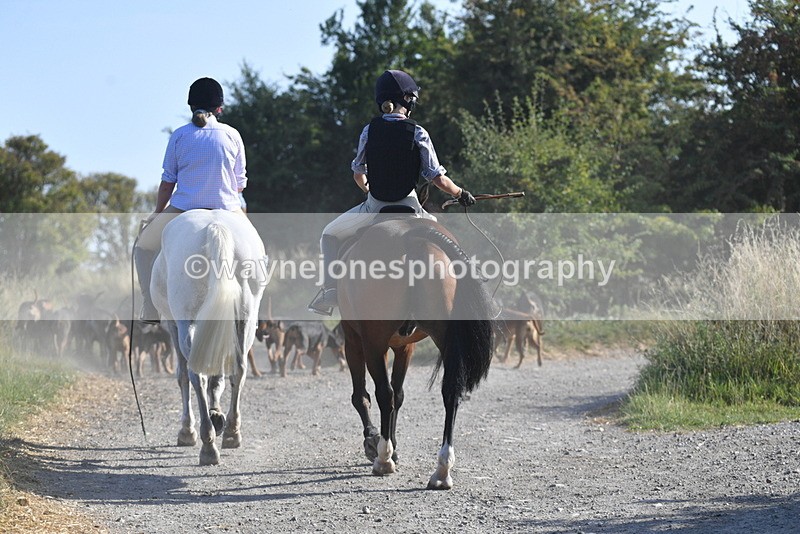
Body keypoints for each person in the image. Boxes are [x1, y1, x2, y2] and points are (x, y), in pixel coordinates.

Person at [308, 69, 476, 316]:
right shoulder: (418, 132)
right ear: (407, 101)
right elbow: (437, 177)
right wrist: (461, 193)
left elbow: (358, 172)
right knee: (447, 241)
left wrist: (368, 188)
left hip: (375, 207)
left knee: (329, 234)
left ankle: (331, 290)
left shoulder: (369, 131)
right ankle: (472, 286)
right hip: (410, 208)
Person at [134, 77, 248, 323]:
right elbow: (240, 183)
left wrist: (157, 211)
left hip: (184, 208)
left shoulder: (179, 136)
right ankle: (252, 309)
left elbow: (167, 183)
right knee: (256, 251)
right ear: (219, 108)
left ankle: (150, 307)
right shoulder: (232, 135)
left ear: (190, 106)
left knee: (142, 247)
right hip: (229, 208)